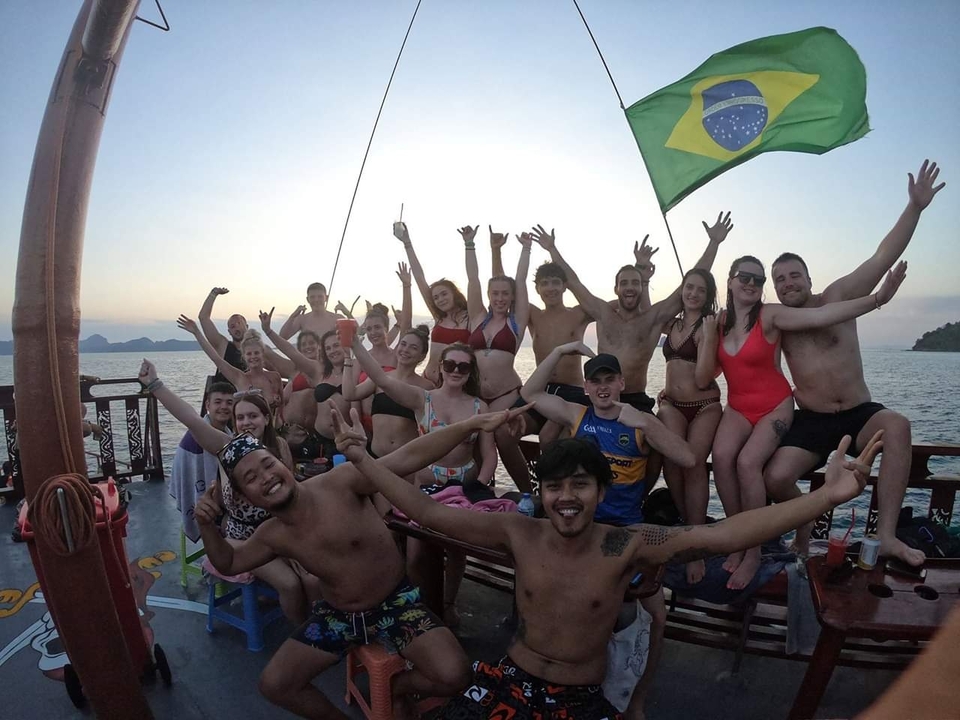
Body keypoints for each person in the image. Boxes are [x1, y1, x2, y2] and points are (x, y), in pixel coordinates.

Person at [334, 405, 883, 720]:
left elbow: (722, 534)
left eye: (579, 485)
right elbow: (426, 509)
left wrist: (825, 498)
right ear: (540, 493)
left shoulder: (626, 544)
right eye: (554, 487)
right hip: (510, 680)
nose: (566, 497)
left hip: (581, 700)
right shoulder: (517, 531)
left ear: (601, 492)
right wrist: (360, 456)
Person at [193, 404, 529, 719]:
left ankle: (400, 686)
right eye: (251, 479)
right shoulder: (272, 534)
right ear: (244, 497)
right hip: (339, 616)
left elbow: (409, 456)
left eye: (267, 464)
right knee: (275, 684)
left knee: (456, 674)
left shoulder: (341, 482)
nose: (265, 476)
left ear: (284, 462)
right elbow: (230, 562)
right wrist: (207, 526)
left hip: (396, 604)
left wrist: (471, 424)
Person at [764, 160, 945, 568]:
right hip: (812, 418)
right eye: (780, 280)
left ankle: (887, 536)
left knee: (897, 425)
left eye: (795, 276)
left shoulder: (839, 297)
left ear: (809, 279)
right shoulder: (778, 320)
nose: (788, 283)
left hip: (859, 414)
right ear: (774, 288)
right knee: (775, 477)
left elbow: (883, 256)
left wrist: (914, 207)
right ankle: (806, 523)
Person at [698, 256, 907, 590]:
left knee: (747, 462)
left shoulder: (770, 315)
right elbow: (702, 364)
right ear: (730, 281)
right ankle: (737, 538)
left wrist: (877, 299)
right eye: (744, 277)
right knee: (723, 459)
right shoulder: (719, 322)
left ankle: (753, 551)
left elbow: (823, 314)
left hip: (779, 406)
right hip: (742, 408)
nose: (751, 283)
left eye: (759, 279)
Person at [520, 345, 695, 718]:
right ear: (586, 386)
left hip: (624, 530)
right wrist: (562, 350)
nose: (602, 387)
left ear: (621, 383)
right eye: (595, 381)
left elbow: (688, 458)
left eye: (608, 380)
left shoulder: (639, 422)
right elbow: (530, 394)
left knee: (658, 618)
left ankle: (638, 701)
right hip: (581, 526)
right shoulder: (577, 414)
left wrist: (646, 422)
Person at [139, 361, 317, 624]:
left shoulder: (279, 446)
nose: (246, 422)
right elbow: (191, 419)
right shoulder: (230, 449)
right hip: (244, 537)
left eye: (253, 416)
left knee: (313, 577)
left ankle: (320, 627)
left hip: (280, 530)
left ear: (266, 418)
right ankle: (304, 637)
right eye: (240, 417)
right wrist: (155, 385)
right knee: (290, 584)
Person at [346, 334, 497, 626]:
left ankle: (449, 605)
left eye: (463, 368)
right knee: (416, 557)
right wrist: (354, 345)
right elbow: (382, 378)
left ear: (470, 373)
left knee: (455, 554)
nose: (455, 371)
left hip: (462, 491)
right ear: (440, 367)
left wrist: (480, 486)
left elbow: (489, 454)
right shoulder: (422, 399)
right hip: (423, 491)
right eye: (450, 364)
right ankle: (420, 609)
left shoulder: (480, 407)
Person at [531, 215, 730, 413]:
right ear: (616, 289)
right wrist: (551, 248)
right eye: (624, 283)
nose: (629, 287)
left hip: (636, 400)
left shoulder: (652, 319)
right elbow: (573, 282)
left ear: (642, 288)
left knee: (651, 441)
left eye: (635, 282)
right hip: (602, 399)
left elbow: (688, 284)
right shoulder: (602, 313)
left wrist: (713, 243)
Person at [657, 268, 723, 584]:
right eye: (688, 287)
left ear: (708, 295)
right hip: (671, 404)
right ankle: (688, 524)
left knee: (694, 463)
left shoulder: (710, 325)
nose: (693, 294)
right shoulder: (672, 324)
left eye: (700, 290)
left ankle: (694, 546)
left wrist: (709, 336)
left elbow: (701, 378)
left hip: (704, 406)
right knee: (672, 461)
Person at [462, 225, 532, 491]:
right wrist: (469, 244)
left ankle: (527, 492)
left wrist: (526, 248)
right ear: (489, 296)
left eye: (505, 293)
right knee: (478, 444)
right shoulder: (478, 318)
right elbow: (473, 280)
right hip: (478, 395)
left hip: (506, 394)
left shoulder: (517, 322)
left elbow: (522, 280)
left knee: (504, 439)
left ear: (511, 296)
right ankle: (483, 492)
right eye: (495, 293)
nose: (500, 298)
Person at [395, 221, 471, 384]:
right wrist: (407, 243)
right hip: (428, 380)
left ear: (455, 294)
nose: (440, 299)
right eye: (436, 297)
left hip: (454, 385)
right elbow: (419, 277)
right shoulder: (439, 317)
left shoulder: (471, 318)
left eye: (444, 294)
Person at [342, 325, 434, 459]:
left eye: (413, 348)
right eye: (403, 344)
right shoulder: (380, 378)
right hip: (376, 457)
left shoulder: (427, 388)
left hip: (406, 461)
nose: (405, 350)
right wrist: (347, 357)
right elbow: (350, 394)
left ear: (422, 356)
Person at [180, 316, 284, 420]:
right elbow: (216, 359)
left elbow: (282, 408)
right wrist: (196, 332)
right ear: (244, 356)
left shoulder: (274, 377)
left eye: (256, 353)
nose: (253, 357)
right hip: (247, 430)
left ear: (262, 353)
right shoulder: (240, 378)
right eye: (249, 354)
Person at [169, 381, 235, 542]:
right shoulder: (196, 437)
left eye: (229, 403)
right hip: (204, 501)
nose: (224, 407)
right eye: (218, 402)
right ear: (208, 405)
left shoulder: (228, 432)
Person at [311, 330, 353, 461]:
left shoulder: (355, 368)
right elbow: (292, 353)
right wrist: (269, 331)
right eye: (327, 348)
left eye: (336, 345)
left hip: (346, 440)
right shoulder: (320, 371)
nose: (332, 351)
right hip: (320, 438)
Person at [197, 287, 248, 383]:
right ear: (229, 332)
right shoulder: (223, 346)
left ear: (247, 327)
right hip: (226, 395)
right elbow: (203, 317)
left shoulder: (257, 350)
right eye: (232, 326)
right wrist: (213, 294)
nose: (236, 328)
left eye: (239, 324)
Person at [278, 282, 342, 341]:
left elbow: (351, 340)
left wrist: (347, 313)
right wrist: (292, 317)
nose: (316, 300)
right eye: (312, 297)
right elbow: (282, 338)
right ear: (307, 299)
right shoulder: (302, 319)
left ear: (326, 298)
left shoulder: (337, 319)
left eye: (320, 296)